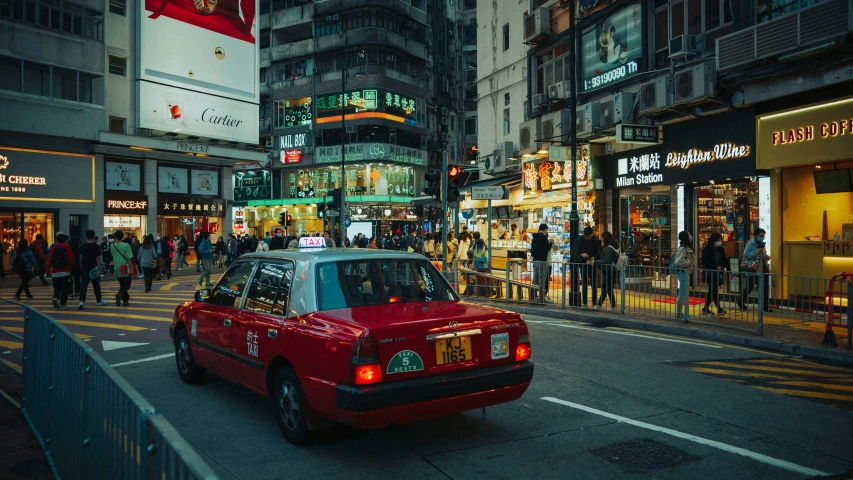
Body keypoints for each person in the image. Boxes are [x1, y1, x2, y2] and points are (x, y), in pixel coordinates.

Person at [737, 228, 771, 312]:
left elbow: (762, 255)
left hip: (763, 269)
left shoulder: (763, 244)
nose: (762, 238)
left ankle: (765, 306)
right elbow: (746, 255)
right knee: (750, 286)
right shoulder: (750, 244)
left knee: (765, 288)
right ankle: (740, 301)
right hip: (753, 269)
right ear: (755, 236)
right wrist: (756, 252)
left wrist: (766, 257)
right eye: (760, 236)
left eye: (763, 236)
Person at [570, 226, 603, 308]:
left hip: (592, 264)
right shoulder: (579, 241)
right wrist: (581, 254)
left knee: (594, 284)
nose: (588, 238)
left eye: (590, 236)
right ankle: (584, 302)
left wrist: (594, 257)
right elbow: (575, 253)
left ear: (592, 234)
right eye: (587, 236)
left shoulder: (596, 241)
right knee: (584, 283)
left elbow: (599, 253)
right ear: (584, 235)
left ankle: (594, 302)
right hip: (583, 264)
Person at [701, 233, 730, 316]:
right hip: (710, 273)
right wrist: (715, 266)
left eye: (720, 240)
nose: (719, 242)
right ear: (713, 240)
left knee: (711, 291)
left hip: (718, 274)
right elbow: (705, 262)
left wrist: (729, 271)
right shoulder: (707, 249)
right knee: (714, 291)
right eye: (717, 240)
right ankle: (719, 309)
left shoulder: (720, 249)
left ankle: (705, 308)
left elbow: (725, 260)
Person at [78, 229, 108, 308]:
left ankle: (81, 301)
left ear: (86, 236)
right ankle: (99, 300)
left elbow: (80, 258)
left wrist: (81, 266)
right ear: (94, 236)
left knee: (83, 285)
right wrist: (100, 268)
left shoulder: (82, 246)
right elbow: (98, 258)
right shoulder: (96, 246)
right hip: (94, 268)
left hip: (84, 267)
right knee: (96, 284)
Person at [47, 232, 75, 309]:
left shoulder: (53, 249)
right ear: (65, 240)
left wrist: (48, 271)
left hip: (55, 271)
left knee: (57, 287)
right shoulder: (67, 248)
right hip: (65, 271)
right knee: (64, 288)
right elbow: (72, 259)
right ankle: (63, 304)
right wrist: (72, 268)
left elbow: (50, 261)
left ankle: (55, 297)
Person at [673, 230, 695, 322]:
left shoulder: (685, 247)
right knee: (682, 294)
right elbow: (678, 261)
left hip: (685, 272)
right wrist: (690, 263)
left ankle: (682, 313)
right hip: (683, 272)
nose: (690, 236)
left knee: (683, 293)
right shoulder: (683, 248)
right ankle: (679, 313)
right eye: (689, 234)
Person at [595, 231, 620, 310]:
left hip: (609, 270)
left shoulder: (609, 249)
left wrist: (596, 262)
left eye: (602, 238)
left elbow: (607, 260)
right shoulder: (615, 246)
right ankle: (612, 306)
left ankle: (599, 305)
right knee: (608, 288)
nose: (602, 240)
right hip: (612, 270)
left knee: (605, 288)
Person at [110, 230, 133, 306]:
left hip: (116, 267)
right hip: (125, 267)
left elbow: (113, 256)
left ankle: (125, 301)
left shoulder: (112, 246)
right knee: (127, 285)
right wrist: (132, 268)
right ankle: (119, 294)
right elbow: (129, 258)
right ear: (123, 237)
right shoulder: (126, 245)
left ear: (115, 237)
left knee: (122, 285)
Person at [530, 224, 552, 303]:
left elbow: (532, 250)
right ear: (545, 229)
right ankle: (541, 297)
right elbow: (547, 249)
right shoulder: (544, 238)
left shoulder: (534, 237)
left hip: (535, 260)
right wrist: (551, 244)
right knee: (542, 279)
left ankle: (533, 296)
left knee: (535, 279)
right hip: (542, 261)